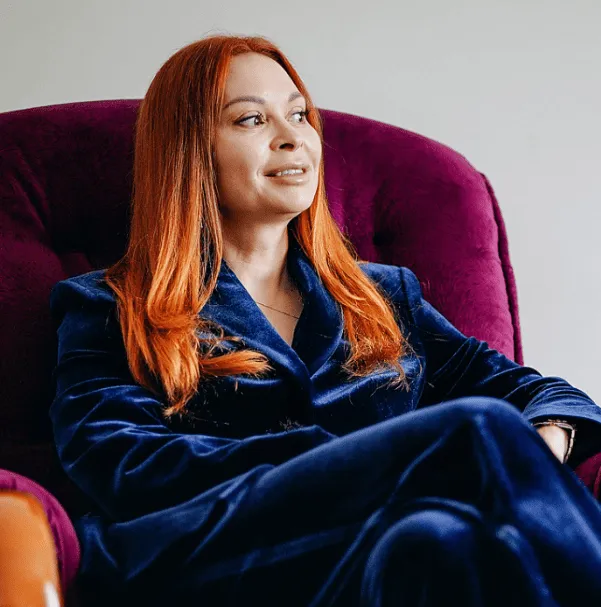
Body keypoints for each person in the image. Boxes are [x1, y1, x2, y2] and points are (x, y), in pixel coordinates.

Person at [48, 34, 601, 606]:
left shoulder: (382, 295)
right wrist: (352, 463)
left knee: (437, 540)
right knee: (476, 430)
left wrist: (544, 442)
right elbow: (122, 463)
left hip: (359, 564)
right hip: (204, 562)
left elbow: (539, 394)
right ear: (188, 152)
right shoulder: (108, 304)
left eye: (298, 115)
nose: (292, 137)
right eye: (251, 120)